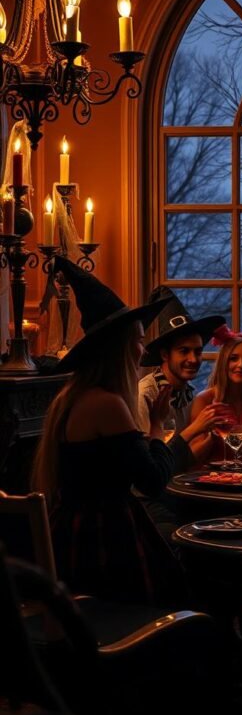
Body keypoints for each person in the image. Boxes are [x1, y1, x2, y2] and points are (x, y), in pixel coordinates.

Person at [31, 257, 204, 606]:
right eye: (138, 341)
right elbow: (152, 482)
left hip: (75, 532)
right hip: (102, 543)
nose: (143, 351)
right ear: (119, 347)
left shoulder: (74, 396)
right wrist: (156, 426)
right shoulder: (107, 404)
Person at [137, 285, 228, 444]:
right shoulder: (146, 395)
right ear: (165, 354)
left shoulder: (190, 394)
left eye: (198, 351)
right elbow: (151, 461)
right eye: (184, 351)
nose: (193, 359)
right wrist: (197, 428)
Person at [189, 325, 242, 466]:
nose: (241, 365)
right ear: (224, 362)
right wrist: (212, 435)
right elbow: (193, 457)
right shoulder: (205, 400)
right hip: (212, 480)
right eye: (233, 358)